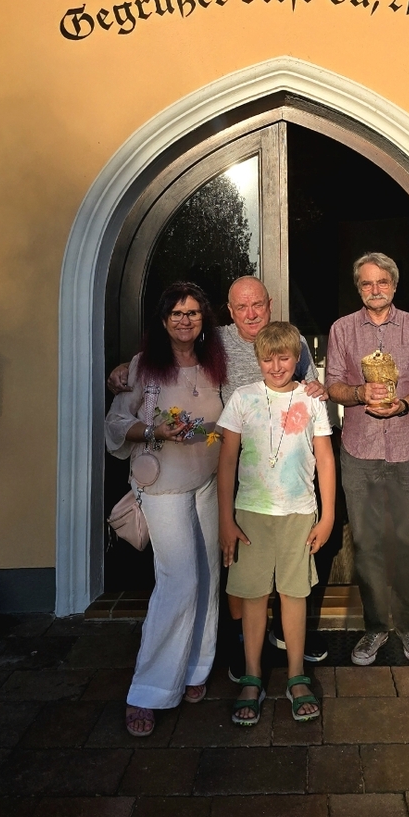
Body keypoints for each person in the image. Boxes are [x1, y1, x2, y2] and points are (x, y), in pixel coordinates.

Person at [108, 275, 330, 671]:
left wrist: (318, 389)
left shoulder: (290, 342)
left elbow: (310, 390)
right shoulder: (217, 341)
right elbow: (175, 350)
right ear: (230, 311)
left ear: (270, 304)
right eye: (242, 307)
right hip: (231, 464)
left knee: (271, 561)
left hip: (278, 471)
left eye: (258, 304)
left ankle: (281, 633)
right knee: (236, 559)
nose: (251, 313)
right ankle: (242, 639)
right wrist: (129, 367)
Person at [105, 281, 227, 736]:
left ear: (203, 320)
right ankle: (149, 690)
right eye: (176, 313)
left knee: (208, 576)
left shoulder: (215, 363)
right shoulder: (142, 366)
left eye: (192, 312)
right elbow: (116, 422)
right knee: (180, 581)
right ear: (162, 320)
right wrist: (155, 432)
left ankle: (195, 667)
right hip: (163, 485)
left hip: (207, 481)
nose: (185, 320)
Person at [217, 322, 336, 724]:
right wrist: (226, 519)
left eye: (284, 358)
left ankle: (296, 675)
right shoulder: (242, 398)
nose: (277, 366)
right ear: (258, 360)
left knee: (293, 594)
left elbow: (325, 459)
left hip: (298, 512)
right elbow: (227, 460)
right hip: (251, 513)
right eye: (268, 359)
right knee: (253, 597)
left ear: (297, 358)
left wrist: (328, 515)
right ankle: (252, 676)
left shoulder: (311, 399)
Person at [326, 252, 409, 665]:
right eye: (367, 283)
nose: (375, 289)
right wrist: (359, 393)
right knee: (368, 544)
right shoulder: (342, 329)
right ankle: (375, 627)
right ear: (358, 288)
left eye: (382, 282)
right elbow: (333, 385)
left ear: (394, 285)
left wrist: (405, 404)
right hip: (360, 451)